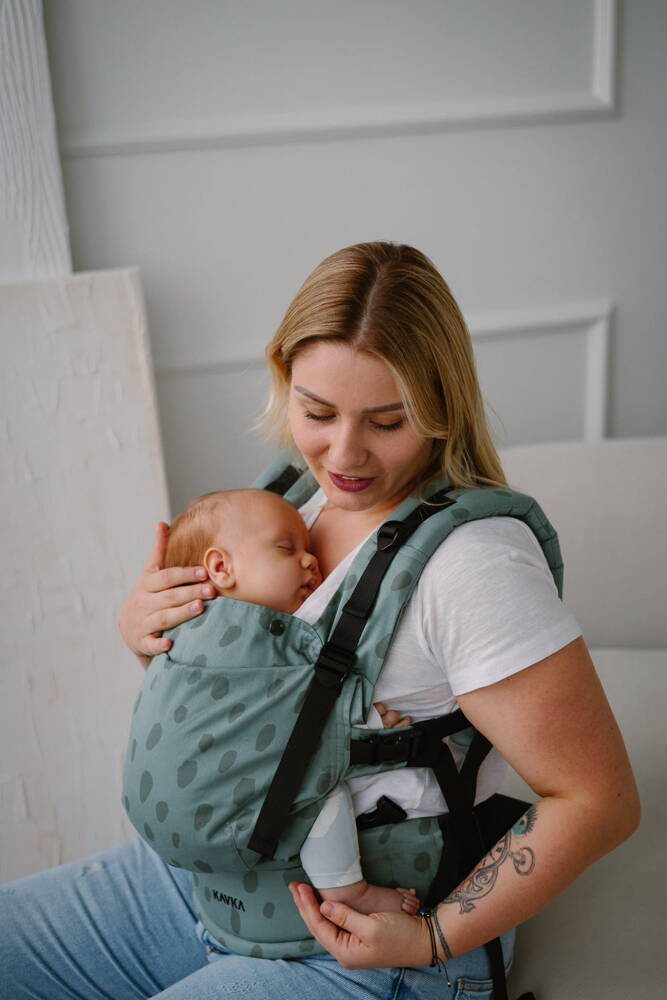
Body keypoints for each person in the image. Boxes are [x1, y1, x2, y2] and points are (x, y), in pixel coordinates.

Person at [0, 242, 639, 1000]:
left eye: (386, 421)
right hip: (210, 883)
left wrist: (433, 937)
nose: (344, 455)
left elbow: (598, 800)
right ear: (284, 382)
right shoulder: (287, 506)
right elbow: (261, 707)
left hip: (368, 942)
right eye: (316, 412)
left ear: (441, 408)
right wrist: (153, 638)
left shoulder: (475, 567)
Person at [147, 485, 420, 916]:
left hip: (170, 824)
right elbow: (295, 713)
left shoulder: (187, 632)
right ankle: (347, 889)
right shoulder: (251, 643)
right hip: (214, 805)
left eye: (308, 548)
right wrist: (363, 719)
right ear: (220, 567)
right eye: (286, 548)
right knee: (317, 790)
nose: (310, 560)